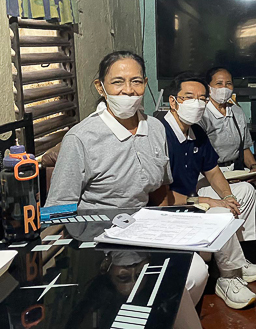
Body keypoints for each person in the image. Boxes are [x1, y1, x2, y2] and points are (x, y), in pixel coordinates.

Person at [45, 51, 208, 329]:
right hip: (101, 241)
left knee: (196, 271)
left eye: (136, 82)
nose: (128, 91)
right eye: (118, 82)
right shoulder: (81, 139)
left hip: (145, 232)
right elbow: (57, 211)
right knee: (177, 284)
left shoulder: (155, 128)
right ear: (101, 87)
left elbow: (160, 190)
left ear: (145, 84)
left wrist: (178, 224)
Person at [160, 72, 256, 309]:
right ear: (173, 101)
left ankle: (236, 259)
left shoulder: (196, 131)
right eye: (189, 98)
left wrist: (227, 196)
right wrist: (204, 199)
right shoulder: (160, 133)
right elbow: (158, 195)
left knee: (242, 194)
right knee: (219, 214)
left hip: (191, 200)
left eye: (201, 99)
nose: (196, 104)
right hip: (170, 207)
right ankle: (228, 278)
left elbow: (213, 171)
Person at [199, 66, 256, 250]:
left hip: (233, 170)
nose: (224, 88)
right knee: (244, 190)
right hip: (210, 174)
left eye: (228, 83)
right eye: (219, 84)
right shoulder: (202, 115)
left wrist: (254, 166)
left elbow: (245, 146)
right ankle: (240, 244)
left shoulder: (237, 112)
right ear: (208, 88)